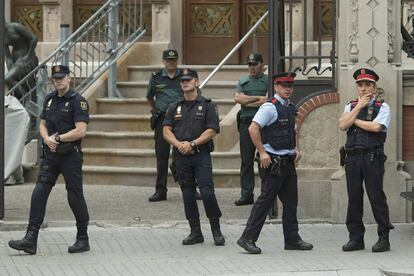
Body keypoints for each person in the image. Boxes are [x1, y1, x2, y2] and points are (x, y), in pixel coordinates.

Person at [9, 65, 91, 255]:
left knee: (75, 195)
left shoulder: (78, 101)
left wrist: (59, 138)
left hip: (71, 156)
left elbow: (81, 131)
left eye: (62, 77)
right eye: (55, 78)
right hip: (52, 155)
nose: (58, 81)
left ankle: (83, 238)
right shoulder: (49, 100)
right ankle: (30, 239)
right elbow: (43, 124)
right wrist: (46, 138)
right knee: (39, 193)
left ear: (69, 78)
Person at [237, 72, 313, 254]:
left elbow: (293, 131)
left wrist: (297, 149)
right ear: (276, 87)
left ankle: (292, 239)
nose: (288, 89)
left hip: (288, 161)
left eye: (290, 86)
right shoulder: (269, 107)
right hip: (274, 163)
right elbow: (253, 128)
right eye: (284, 86)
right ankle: (247, 238)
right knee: (265, 201)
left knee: (291, 203)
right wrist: (262, 152)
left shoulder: (290, 107)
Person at [163, 68, 225, 246]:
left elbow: (212, 130)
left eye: (188, 80)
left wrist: (193, 144)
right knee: (188, 195)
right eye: (182, 80)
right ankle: (195, 232)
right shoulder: (174, 107)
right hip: (181, 156)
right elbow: (166, 130)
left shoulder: (208, 105)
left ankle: (216, 230)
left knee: (207, 192)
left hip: (200, 155)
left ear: (197, 82)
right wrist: (179, 145)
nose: (185, 82)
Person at [338, 68, 394, 253]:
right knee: (354, 198)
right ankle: (355, 239)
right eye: (360, 85)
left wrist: (353, 119)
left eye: (367, 84)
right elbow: (342, 125)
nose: (363, 88)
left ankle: (383, 237)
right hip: (352, 158)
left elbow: (376, 127)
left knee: (376, 197)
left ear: (374, 87)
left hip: (372, 158)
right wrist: (358, 108)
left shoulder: (382, 107)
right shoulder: (350, 105)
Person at [146, 49, 183, 202]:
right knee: (161, 157)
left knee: (181, 155)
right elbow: (149, 96)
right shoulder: (156, 77)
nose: (171, 62)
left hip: (181, 119)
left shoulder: (185, 76)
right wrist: (156, 109)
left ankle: (188, 187)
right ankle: (160, 190)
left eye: (174, 60)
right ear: (163, 61)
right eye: (168, 60)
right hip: (162, 119)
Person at [234, 53, 268, 206]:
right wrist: (258, 99)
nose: (252, 67)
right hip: (246, 124)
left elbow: (268, 101)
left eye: (255, 64)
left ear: (262, 64)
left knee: (264, 159)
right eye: (250, 64)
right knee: (246, 161)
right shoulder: (243, 81)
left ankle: (265, 193)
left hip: (263, 125)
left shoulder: (268, 80)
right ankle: (246, 194)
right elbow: (238, 99)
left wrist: (248, 100)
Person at [4, 22, 39, 99]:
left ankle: (26, 97)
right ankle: (25, 97)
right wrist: (11, 69)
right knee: (11, 79)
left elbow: (34, 38)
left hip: (28, 59)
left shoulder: (15, 26)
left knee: (7, 78)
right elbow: (8, 57)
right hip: (16, 61)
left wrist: (27, 56)